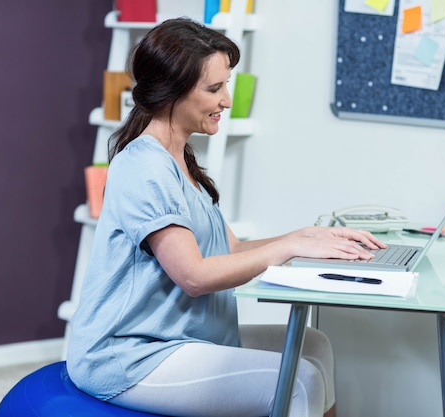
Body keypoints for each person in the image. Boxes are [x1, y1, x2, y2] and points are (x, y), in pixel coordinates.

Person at [66, 17, 386, 417]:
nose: (227, 100)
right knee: (301, 380)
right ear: (171, 92)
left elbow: (231, 248)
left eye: (226, 86)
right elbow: (194, 275)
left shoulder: (179, 160)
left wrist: (307, 237)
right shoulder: (144, 167)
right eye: (215, 88)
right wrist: (288, 248)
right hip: (133, 353)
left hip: (181, 337)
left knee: (314, 344)